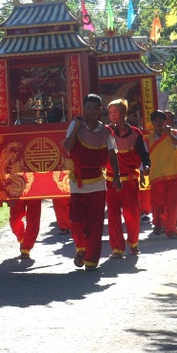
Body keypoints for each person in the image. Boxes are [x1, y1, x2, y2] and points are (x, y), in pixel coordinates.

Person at [63, 94, 120, 271]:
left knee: (95, 223)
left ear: (99, 110)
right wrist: (78, 126)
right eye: (88, 108)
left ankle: (91, 260)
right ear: (84, 108)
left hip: (97, 182)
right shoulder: (75, 125)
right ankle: (81, 248)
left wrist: (116, 176)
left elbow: (112, 154)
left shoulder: (106, 131)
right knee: (77, 221)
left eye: (95, 109)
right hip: (78, 182)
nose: (91, 112)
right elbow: (67, 146)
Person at [105, 99, 150, 257]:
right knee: (113, 215)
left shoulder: (136, 133)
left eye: (116, 112)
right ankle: (117, 247)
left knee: (132, 213)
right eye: (110, 113)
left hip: (129, 180)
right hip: (110, 180)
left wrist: (147, 166)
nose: (112, 116)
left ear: (124, 113)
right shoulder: (105, 132)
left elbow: (144, 154)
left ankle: (133, 243)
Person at [144, 110, 177, 239]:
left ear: (165, 122)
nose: (159, 123)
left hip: (173, 173)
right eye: (156, 120)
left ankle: (171, 230)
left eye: (161, 120)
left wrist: (169, 134)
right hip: (156, 175)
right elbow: (144, 157)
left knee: (173, 204)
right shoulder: (148, 139)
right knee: (157, 203)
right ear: (152, 122)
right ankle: (158, 223)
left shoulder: (173, 134)